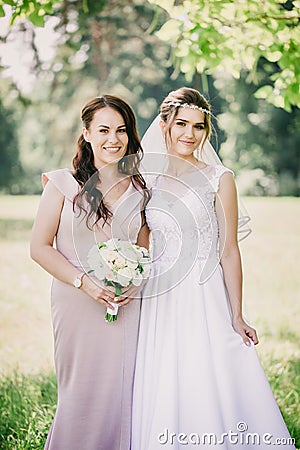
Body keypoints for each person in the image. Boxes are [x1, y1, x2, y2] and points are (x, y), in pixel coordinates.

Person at [132, 87, 295, 449]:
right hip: (159, 297)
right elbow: (142, 240)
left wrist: (237, 313)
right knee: (165, 375)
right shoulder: (147, 179)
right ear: (164, 126)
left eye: (199, 127)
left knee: (208, 370)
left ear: (207, 132)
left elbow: (229, 250)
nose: (190, 134)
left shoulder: (219, 177)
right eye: (181, 124)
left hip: (204, 293)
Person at [30, 95, 149, 450]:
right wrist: (86, 284)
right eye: (103, 130)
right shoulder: (63, 185)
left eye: (121, 130)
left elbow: (144, 249)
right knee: (80, 389)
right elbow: (39, 247)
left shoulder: (141, 191)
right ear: (86, 133)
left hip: (124, 304)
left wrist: (136, 283)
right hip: (76, 298)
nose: (113, 139)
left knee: (122, 388)